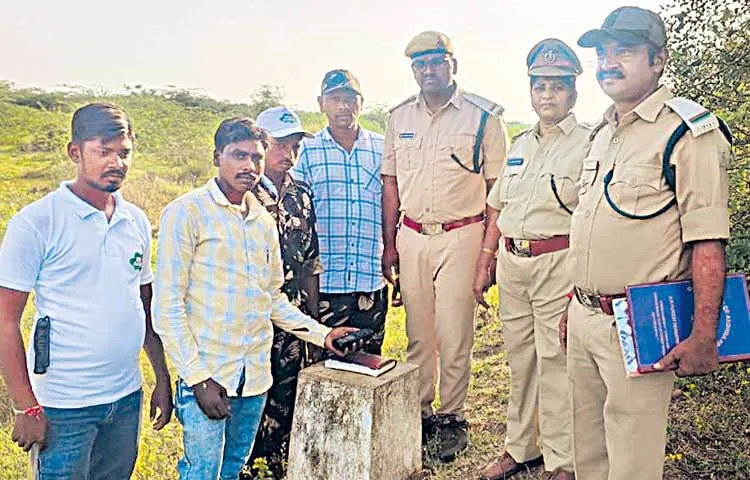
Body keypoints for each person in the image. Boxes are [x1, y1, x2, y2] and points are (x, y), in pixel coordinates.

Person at [562, 7, 731, 479]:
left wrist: (703, 335)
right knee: (588, 450)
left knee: (632, 456)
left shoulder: (687, 132)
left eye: (625, 51)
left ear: (658, 60)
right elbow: (588, 231)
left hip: (640, 323)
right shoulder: (602, 133)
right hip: (583, 315)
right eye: (602, 52)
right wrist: (570, 304)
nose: (608, 62)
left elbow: (708, 241)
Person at [153, 117, 357, 480]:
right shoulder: (187, 213)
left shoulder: (261, 220)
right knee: (202, 473)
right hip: (211, 376)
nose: (249, 166)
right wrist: (199, 380)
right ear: (218, 156)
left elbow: (272, 298)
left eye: (256, 158)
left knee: (232, 470)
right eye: (238, 155)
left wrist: (322, 334)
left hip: (255, 378)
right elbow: (166, 308)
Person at [0, 103, 173, 479]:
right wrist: (25, 406)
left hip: (125, 398)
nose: (117, 162)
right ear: (74, 152)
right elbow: (5, 320)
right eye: (104, 151)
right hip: (65, 405)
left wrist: (161, 376)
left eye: (124, 153)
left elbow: (144, 306)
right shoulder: (37, 222)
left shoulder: (136, 221)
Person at [381, 31, 509, 462]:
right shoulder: (399, 117)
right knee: (419, 335)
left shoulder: (483, 117)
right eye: (420, 64)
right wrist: (390, 245)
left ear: (453, 64)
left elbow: (498, 192)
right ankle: (420, 414)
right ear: (412, 70)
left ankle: (452, 417)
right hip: (412, 234)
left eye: (436, 62)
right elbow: (391, 184)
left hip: (463, 234)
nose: (428, 70)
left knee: (454, 333)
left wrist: (488, 255)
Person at [475, 38, 587, 480]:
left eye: (557, 87)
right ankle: (521, 448)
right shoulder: (520, 144)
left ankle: (562, 462)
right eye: (540, 86)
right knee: (520, 360)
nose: (547, 95)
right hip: (512, 264)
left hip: (556, 264)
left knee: (556, 362)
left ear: (573, 93)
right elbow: (497, 207)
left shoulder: (589, 143)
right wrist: (486, 259)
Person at [243, 106, 320, 480]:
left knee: (286, 392)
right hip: (249, 315)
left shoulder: (301, 195)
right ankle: (244, 464)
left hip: (291, 312)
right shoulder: (241, 193)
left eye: (295, 147)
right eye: (279, 145)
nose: (288, 156)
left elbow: (309, 262)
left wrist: (315, 318)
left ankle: (276, 464)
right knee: (248, 398)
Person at [293, 69, 388, 360]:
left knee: (368, 366)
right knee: (324, 369)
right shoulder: (306, 151)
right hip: (324, 283)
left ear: (361, 102)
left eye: (350, 98)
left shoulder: (382, 148)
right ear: (321, 103)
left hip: (370, 279)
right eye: (335, 99)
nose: (343, 106)